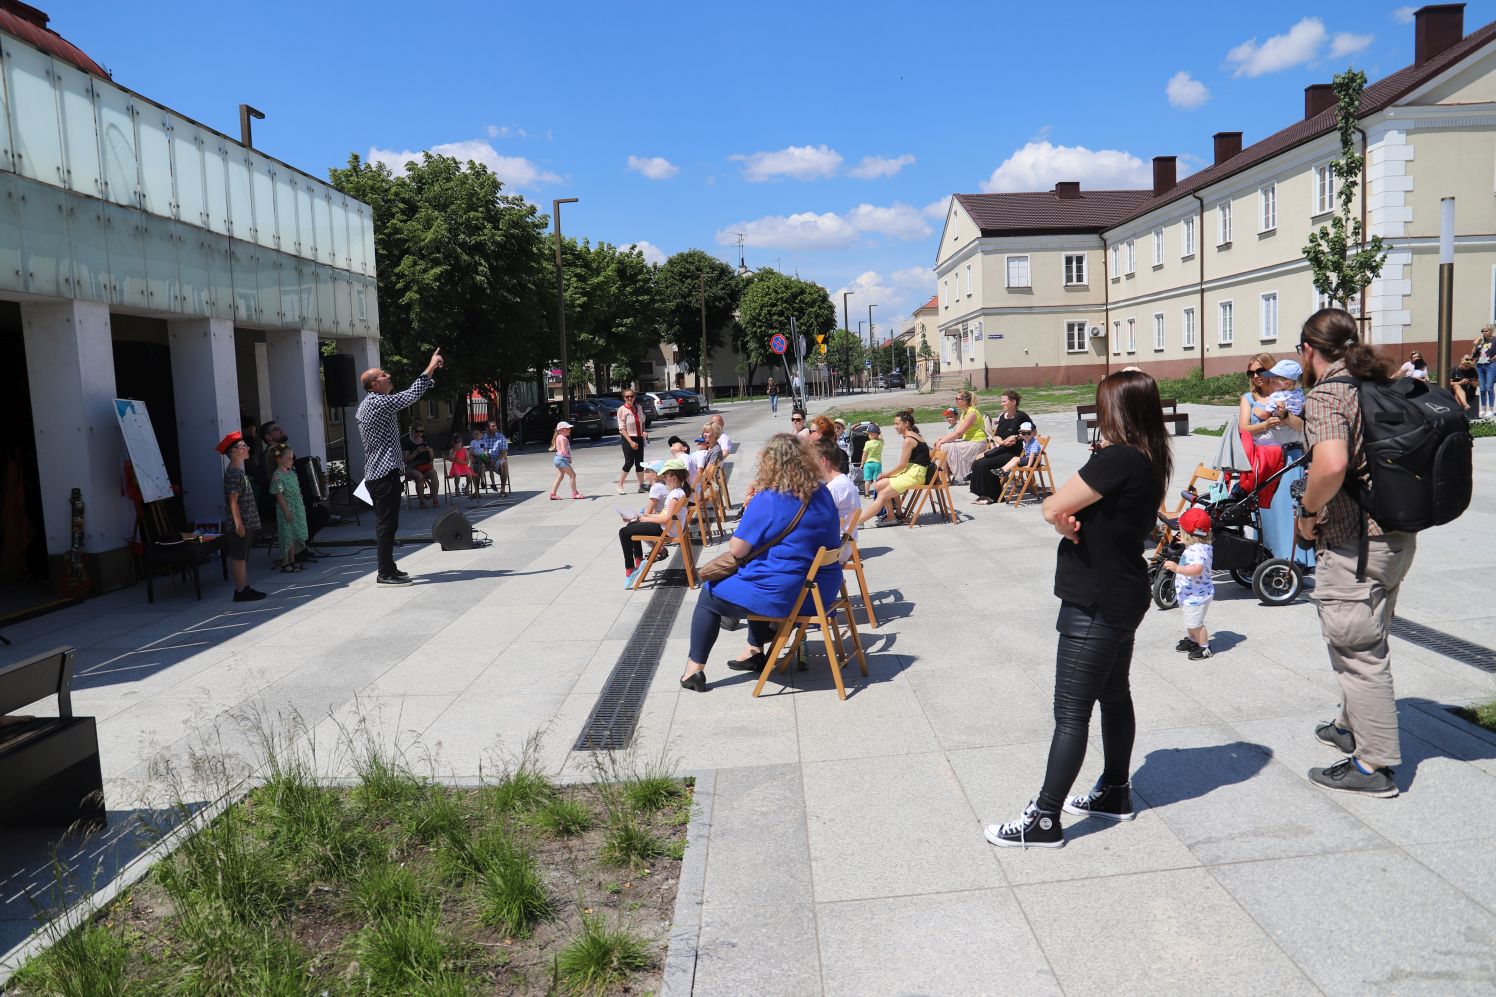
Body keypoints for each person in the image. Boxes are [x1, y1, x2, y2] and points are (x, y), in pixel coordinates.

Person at [984, 370, 1172, 848]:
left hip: (1097, 598)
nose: (1097, 414)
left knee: (1071, 712)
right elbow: (1078, 514)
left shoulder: (1118, 459)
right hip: (1121, 589)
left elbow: (1051, 507)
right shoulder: (1149, 456)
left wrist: (1061, 517)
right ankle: (1114, 790)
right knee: (1113, 696)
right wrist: (1069, 519)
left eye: (1102, 406)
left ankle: (1044, 818)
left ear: (1118, 411)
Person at [1295, 308, 1415, 799]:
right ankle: (1351, 726)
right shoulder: (1378, 382)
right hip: (1396, 537)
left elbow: (1331, 464)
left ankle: (1374, 765)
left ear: (1308, 350)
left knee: (1359, 654)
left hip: (1353, 543)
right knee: (1368, 634)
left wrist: (1307, 512)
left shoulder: (1329, 395)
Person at [677, 434, 842, 692]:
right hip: (823, 592)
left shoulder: (770, 497)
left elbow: (737, 548)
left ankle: (694, 670)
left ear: (769, 462)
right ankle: (754, 650)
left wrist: (750, 510)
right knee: (755, 573)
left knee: (709, 596)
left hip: (786, 595)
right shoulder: (821, 492)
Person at [357, 349, 443, 585]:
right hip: (383, 475)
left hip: (383, 474)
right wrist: (431, 365)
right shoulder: (376, 402)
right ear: (374, 385)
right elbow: (409, 396)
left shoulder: (373, 402)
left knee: (389, 523)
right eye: (383, 374)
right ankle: (384, 572)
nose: (388, 375)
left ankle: (389, 568)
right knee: (386, 524)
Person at [620, 462, 691, 586]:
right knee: (631, 527)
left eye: (666, 476)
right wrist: (644, 516)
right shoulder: (679, 492)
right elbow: (664, 515)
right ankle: (638, 559)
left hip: (665, 529)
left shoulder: (674, 495)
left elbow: (666, 519)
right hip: (667, 528)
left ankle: (630, 568)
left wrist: (646, 519)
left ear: (674, 478)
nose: (664, 478)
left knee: (624, 532)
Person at [856, 411, 930, 528]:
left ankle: (858, 521)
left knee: (883, 494)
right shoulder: (914, 435)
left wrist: (885, 474)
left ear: (906, 424)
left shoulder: (908, 440)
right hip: (912, 471)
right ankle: (893, 516)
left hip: (915, 475)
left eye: (897, 424)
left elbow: (901, 465)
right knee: (878, 485)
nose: (895, 427)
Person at [217, 432, 265, 601]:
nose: (247, 448)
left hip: (246, 522)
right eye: (243, 446)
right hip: (240, 524)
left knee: (242, 557)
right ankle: (240, 590)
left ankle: (245, 587)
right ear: (233, 451)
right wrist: (238, 524)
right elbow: (233, 501)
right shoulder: (233, 473)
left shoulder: (238, 471)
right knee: (238, 557)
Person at [1164, 507, 1214, 659]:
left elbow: (1197, 569)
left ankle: (1204, 647)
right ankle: (1193, 640)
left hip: (1197, 595)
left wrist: (1177, 568)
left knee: (1196, 624)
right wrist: (1187, 542)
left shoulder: (1197, 550)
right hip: (1191, 593)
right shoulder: (1198, 546)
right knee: (1190, 621)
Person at [971, 390, 1032, 505]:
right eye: (1001, 401)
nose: (1002, 403)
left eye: (1004, 401)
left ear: (1013, 402)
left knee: (985, 464)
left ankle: (993, 496)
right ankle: (983, 494)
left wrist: (1016, 437)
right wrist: (1001, 442)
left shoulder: (1021, 416)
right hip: (1002, 449)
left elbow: (1033, 432)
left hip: (1015, 453)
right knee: (978, 462)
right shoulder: (1003, 417)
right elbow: (997, 435)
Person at [810, 436, 860, 560]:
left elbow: (816, 522)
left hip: (834, 551)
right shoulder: (843, 482)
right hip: (843, 545)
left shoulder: (834, 488)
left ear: (823, 461)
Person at [1240, 353, 1304, 448]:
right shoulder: (1248, 398)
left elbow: (1303, 427)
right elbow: (1243, 430)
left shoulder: (1290, 395)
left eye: (1260, 371)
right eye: (1251, 373)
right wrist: (1265, 425)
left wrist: (1285, 416)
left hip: (1291, 451)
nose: (1255, 376)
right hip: (1264, 454)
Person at [269, 442, 310, 572]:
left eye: (292, 458)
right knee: (288, 535)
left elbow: (297, 491)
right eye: (289, 458)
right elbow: (279, 495)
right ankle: (285, 562)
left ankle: (292, 560)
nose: (291, 461)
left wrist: (301, 505)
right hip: (287, 508)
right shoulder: (277, 476)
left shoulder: (291, 473)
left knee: (295, 534)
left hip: (296, 506)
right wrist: (286, 511)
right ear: (279, 459)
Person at [933, 390, 988, 485]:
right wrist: (941, 439)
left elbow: (959, 433)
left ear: (965, 401)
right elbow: (957, 432)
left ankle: (944, 477)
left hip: (977, 443)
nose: (956, 401)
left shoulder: (972, 413)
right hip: (969, 441)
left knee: (944, 447)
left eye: (957, 399)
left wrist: (942, 442)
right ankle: (942, 475)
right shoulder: (964, 413)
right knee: (941, 445)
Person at [615, 389, 649, 495]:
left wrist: (644, 431)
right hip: (628, 439)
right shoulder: (622, 410)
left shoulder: (638, 407)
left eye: (631, 396)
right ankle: (620, 484)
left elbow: (642, 421)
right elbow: (622, 428)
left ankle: (641, 486)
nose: (630, 398)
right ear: (624, 398)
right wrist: (630, 442)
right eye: (627, 396)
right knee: (629, 462)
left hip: (639, 437)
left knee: (640, 463)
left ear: (634, 397)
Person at [402, 422, 440, 509]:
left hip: (425, 466)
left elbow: (432, 458)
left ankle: (435, 499)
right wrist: (417, 452)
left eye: (421, 431)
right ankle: (422, 501)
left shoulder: (426, 441)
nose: (419, 433)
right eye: (417, 431)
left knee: (433, 474)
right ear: (412, 431)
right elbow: (406, 459)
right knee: (419, 477)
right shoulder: (407, 442)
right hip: (412, 467)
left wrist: (430, 451)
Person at [472, 421, 510, 492]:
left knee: (504, 463)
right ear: (486, 428)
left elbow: (504, 453)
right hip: (484, 460)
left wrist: (494, 460)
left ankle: (502, 490)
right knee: (474, 466)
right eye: (492, 426)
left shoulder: (501, 437)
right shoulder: (482, 438)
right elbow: (478, 449)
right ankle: (476, 493)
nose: (495, 427)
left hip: (497, 460)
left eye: (495, 426)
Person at [549, 421, 582, 500]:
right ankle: (575, 493)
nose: (569, 430)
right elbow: (564, 451)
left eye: (569, 429)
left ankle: (553, 494)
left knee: (560, 476)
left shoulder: (558, 437)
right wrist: (568, 456)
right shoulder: (563, 438)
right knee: (573, 475)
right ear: (561, 430)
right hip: (561, 459)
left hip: (557, 459)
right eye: (567, 429)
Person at [447, 433, 481, 500]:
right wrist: (455, 451)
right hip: (456, 467)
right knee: (457, 475)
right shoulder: (451, 450)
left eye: (460, 442)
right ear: (453, 443)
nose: (458, 444)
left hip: (464, 466)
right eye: (457, 442)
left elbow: (467, 461)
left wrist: (459, 461)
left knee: (469, 475)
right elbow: (451, 459)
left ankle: (467, 487)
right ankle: (457, 487)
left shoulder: (465, 450)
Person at [1475, 325, 1496, 417]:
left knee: (1489, 388)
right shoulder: (1481, 341)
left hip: (1490, 365)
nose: (1483, 332)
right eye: (1482, 331)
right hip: (1480, 366)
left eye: (1486, 331)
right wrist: (1475, 345)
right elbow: (1474, 354)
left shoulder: (1495, 340)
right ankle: (1483, 409)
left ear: (1491, 331)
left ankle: (1490, 410)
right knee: (1482, 389)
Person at [860, 424, 884, 497]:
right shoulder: (880, 442)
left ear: (873, 435)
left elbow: (864, 454)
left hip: (868, 464)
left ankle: (867, 494)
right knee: (876, 480)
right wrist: (878, 428)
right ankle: (877, 493)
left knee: (867, 480)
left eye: (869, 434)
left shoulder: (867, 443)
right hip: (877, 463)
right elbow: (881, 436)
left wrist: (862, 464)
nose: (868, 436)